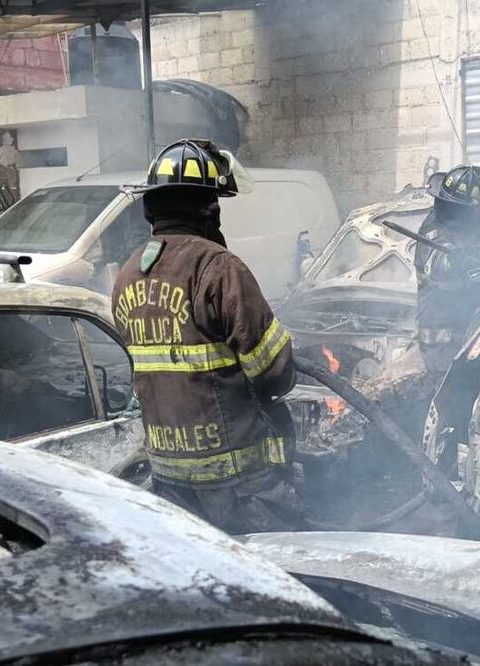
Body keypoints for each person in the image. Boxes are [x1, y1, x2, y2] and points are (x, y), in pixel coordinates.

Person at [113, 138, 301, 534]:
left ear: (152, 207)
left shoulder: (129, 273)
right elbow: (273, 372)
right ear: (209, 208)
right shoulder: (218, 267)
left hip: (168, 476)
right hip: (234, 478)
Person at [414, 164, 480, 376]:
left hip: (467, 327)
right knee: (448, 392)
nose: (479, 214)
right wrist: (455, 260)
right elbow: (437, 265)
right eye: (476, 209)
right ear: (463, 208)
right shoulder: (433, 230)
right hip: (440, 335)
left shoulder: (469, 227)